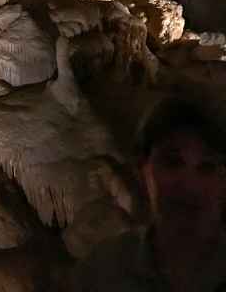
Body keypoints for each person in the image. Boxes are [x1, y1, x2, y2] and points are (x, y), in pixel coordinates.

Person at [73, 95, 226, 292]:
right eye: (172, 162)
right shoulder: (100, 274)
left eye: (207, 166)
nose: (189, 184)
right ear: (141, 170)